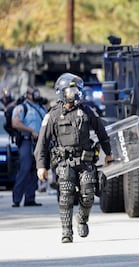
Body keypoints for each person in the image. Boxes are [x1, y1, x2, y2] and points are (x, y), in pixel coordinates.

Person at [34, 73, 113, 243]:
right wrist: (41, 166)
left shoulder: (86, 111)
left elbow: (102, 132)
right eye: (71, 90)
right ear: (62, 92)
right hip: (65, 162)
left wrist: (108, 153)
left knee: (88, 194)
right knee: (66, 195)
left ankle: (82, 219)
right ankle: (66, 231)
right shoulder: (53, 115)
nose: (75, 93)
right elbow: (42, 142)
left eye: (76, 90)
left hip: (86, 161)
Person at [11, 87, 47, 207]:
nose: (36, 95)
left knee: (35, 169)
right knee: (24, 169)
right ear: (28, 95)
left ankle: (30, 199)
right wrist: (31, 130)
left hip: (39, 143)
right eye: (33, 93)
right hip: (27, 140)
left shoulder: (41, 107)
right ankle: (17, 199)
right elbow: (15, 123)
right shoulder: (22, 107)